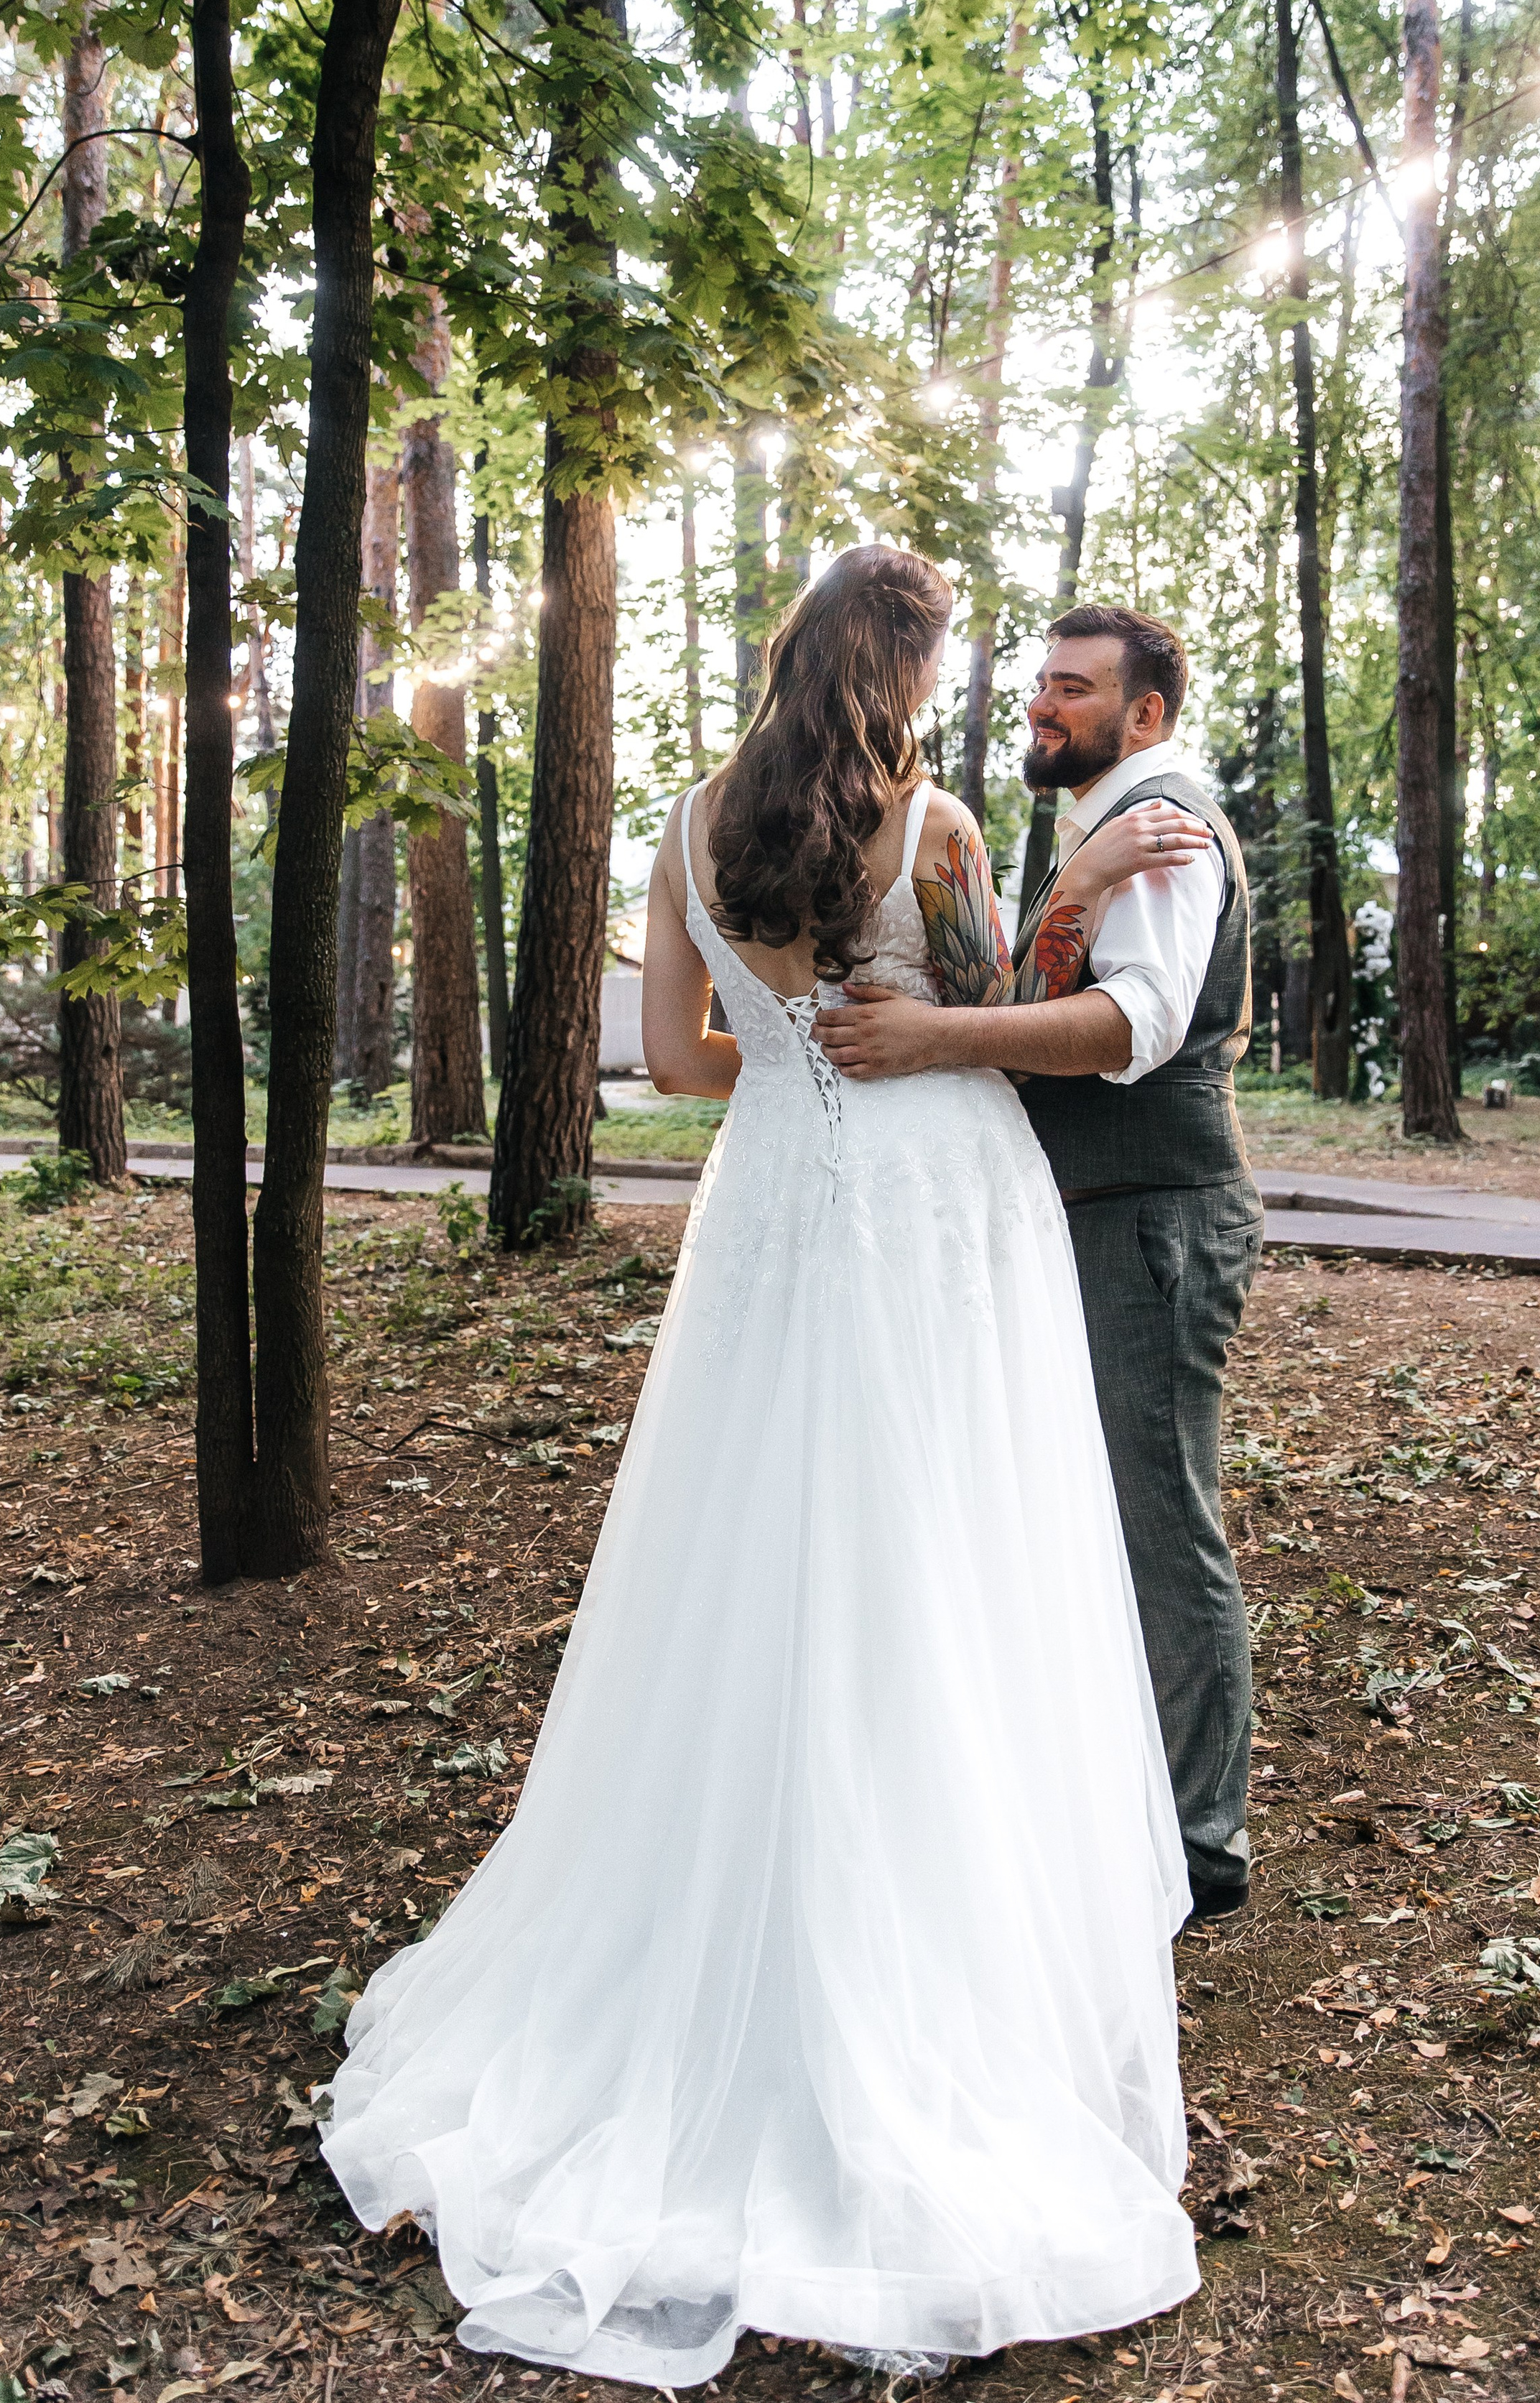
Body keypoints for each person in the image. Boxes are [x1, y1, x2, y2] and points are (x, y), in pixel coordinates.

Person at [323, 548, 1215, 2388]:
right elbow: (986, 1023)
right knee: (942, 1546)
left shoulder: (684, 820)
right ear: (898, 670)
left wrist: (790, 1033)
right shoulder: (940, 823)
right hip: (939, 1198)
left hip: (774, 1214)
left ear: (789, 652)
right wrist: (1066, 886)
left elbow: (672, 1065)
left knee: (758, 1547)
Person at [813, 603, 1262, 1922]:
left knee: (1156, 1517)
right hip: (1090, 1208)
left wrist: (940, 1042)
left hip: (1149, 1214)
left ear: (1148, 713)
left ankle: (1197, 1843)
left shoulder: (1165, 826)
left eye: (1075, 689)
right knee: (1085, 1510)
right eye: (1040, 685)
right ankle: (1121, 1802)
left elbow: (1134, 1025)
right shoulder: (1102, 830)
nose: (1042, 707)